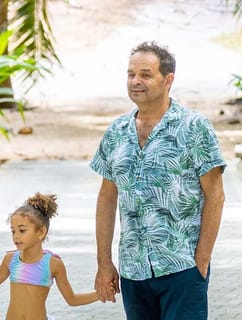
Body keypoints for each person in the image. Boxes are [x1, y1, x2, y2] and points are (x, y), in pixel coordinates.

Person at [89, 41, 226, 319]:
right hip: (133, 271)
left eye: (145, 74)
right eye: (131, 74)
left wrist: (201, 259)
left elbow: (216, 195)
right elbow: (107, 197)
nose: (135, 81)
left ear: (168, 80)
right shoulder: (116, 131)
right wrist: (104, 262)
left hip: (182, 267)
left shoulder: (194, 127)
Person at [0, 193, 99, 319]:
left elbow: (72, 299)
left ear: (41, 232)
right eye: (13, 231)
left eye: (22, 230)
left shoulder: (53, 264)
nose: (16, 236)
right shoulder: (11, 259)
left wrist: (100, 294)